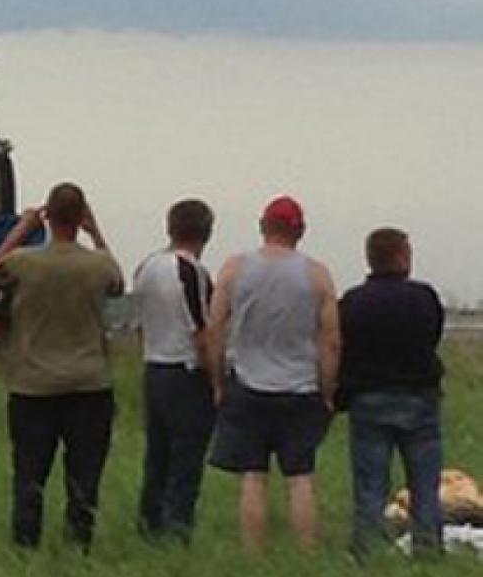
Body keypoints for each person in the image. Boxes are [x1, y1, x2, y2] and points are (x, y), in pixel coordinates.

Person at [0, 182, 123, 552]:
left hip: (33, 386)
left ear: (48, 215)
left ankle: (25, 545)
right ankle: (78, 544)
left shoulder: (25, 263)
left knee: (30, 474)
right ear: (81, 217)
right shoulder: (98, 264)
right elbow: (117, 283)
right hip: (89, 383)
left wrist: (23, 228)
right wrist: (96, 232)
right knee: (84, 476)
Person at [206, 195, 340, 553]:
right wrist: (327, 391)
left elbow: (215, 329)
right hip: (299, 387)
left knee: (253, 476)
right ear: (301, 231)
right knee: (300, 477)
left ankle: (254, 555)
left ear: (263, 226)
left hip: (248, 384)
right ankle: (307, 554)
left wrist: (218, 382)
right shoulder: (317, 275)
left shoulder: (234, 269)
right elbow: (330, 341)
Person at [339, 227, 445, 558]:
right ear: (401, 256)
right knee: (424, 484)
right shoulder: (424, 297)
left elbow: (343, 346)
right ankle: (427, 548)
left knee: (371, 485)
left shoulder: (354, 301)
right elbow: (433, 336)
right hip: (419, 398)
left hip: (369, 400)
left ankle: (368, 550)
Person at [132, 198, 216, 543]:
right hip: (185, 370)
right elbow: (201, 329)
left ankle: (149, 522)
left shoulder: (147, 266)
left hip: (154, 367)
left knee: (158, 452)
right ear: (206, 233)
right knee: (186, 456)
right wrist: (217, 379)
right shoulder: (190, 270)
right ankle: (177, 526)